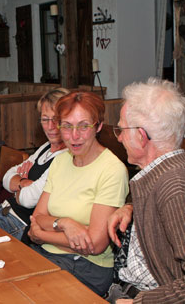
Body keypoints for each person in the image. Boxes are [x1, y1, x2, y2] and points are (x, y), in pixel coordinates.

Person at [28, 91, 129, 296]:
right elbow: (37, 218)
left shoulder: (112, 169)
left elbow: (95, 244)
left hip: (86, 267)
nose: (74, 136)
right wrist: (66, 223)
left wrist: (41, 234)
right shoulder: (60, 160)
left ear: (98, 126)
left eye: (84, 126)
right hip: (46, 255)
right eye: (66, 126)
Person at [106, 78, 185, 304]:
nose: (119, 137)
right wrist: (130, 206)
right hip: (124, 289)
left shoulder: (174, 188)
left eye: (121, 129)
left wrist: (140, 303)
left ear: (141, 136)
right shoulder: (162, 174)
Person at [0, 88, 69, 240]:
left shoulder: (66, 158)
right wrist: (23, 182)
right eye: (45, 119)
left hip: (18, 223)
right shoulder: (46, 146)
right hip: (3, 209)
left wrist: (17, 185)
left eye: (57, 119)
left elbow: (28, 199)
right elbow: (7, 176)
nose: (51, 126)